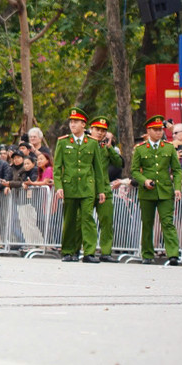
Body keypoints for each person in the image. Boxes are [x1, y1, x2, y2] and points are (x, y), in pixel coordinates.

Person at [130, 114, 182, 266]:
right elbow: (134, 171)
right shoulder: (140, 149)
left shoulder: (168, 147)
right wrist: (144, 181)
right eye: (155, 130)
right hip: (147, 191)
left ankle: (173, 254)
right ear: (148, 131)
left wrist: (177, 188)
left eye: (160, 129)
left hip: (165, 191)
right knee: (147, 223)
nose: (159, 132)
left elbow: (177, 170)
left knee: (167, 222)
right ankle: (147, 254)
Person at [54, 107, 104, 263]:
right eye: (71, 121)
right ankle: (68, 251)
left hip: (88, 186)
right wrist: (59, 186)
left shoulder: (92, 143)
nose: (72, 124)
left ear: (84, 124)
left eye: (76, 122)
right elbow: (57, 168)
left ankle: (89, 252)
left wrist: (100, 190)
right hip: (69, 186)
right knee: (69, 220)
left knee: (87, 218)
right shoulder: (63, 142)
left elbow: (98, 168)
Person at [89, 116, 122, 262]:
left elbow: (119, 163)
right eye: (97, 129)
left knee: (107, 222)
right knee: (84, 221)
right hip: (87, 189)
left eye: (103, 131)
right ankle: (86, 251)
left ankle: (106, 252)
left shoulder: (106, 148)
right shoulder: (84, 146)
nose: (100, 133)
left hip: (104, 189)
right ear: (91, 130)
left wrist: (110, 148)